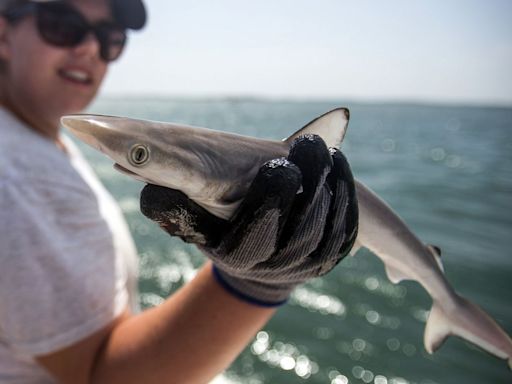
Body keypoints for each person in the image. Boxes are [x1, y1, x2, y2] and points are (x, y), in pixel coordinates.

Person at [0, 0, 358, 383]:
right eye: (61, 25)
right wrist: (256, 281)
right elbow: (99, 377)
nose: (90, 49)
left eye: (110, 38)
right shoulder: (17, 180)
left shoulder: (33, 139)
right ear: (3, 33)